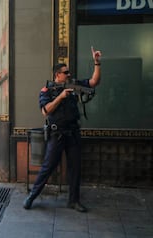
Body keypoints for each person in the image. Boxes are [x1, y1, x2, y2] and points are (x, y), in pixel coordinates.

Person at [23, 47, 102, 212]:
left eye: (68, 72)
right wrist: (60, 97)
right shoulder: (47, 90)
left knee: (75, 168)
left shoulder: (73, 85)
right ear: (57, 75)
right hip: (57, 134)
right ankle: (32, 196)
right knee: (47, 167)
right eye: (65, 72)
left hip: (73, 133)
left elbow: (94, 82)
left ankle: (74, 201)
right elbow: (45, 110)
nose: (68, 74)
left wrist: (97, 62)